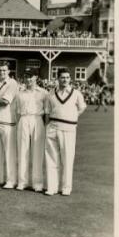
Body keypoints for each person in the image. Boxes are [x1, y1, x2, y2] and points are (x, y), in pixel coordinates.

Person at [45, 68, 87, 196]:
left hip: (68, 129)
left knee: (67, 158)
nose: (65, 80)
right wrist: (48, 126)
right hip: (52, 127)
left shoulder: (76, 93)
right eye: (62, 77)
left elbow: (81, 108)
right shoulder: (50, 94)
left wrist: (71, 118)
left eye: (67, 77)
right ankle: (52, 187)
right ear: (58, 78)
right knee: (51, 159)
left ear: (70, 79)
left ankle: (66, 187)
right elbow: (47, 112)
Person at [14, 68, 47, 192]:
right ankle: (22, 182)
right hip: (23, 119)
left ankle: (37, 183)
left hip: (37, 120)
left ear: (36, 78)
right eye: (26, 76)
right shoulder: (19, 93)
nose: (28, 79)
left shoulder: (43, 93)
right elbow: (17, 111)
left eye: (31, 76)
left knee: (37, 152)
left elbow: (47, 112)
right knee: (23, 151)